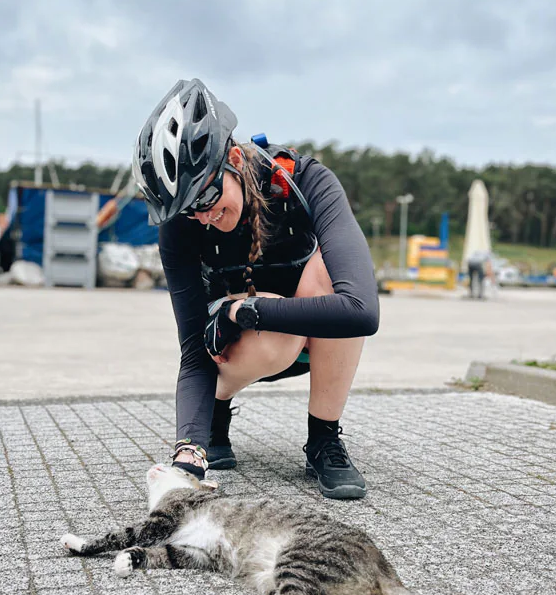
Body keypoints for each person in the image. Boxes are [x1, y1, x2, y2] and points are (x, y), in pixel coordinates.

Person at [132, 79, 380, 500]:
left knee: (328, 269)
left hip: (311, 332)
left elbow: (361, 311)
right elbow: (193, 352)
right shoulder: (183, 223)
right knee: (267, 326)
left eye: (208, 196)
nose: (204, 216)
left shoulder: (306, 182)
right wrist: (188, 448)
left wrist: (242, 310)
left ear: (233, 159)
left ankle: (323, 439)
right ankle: (216, 411)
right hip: (244, 351)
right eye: (190, 210)